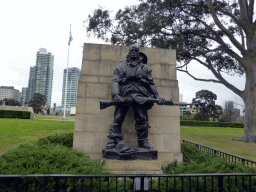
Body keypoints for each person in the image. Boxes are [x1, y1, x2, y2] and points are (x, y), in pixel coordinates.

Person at [105, 44, 164, 150]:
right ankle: (113, 140)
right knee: (118, 118)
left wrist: (157, 96)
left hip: (140, 96)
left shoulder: (145, 68)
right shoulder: (120, 67)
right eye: (132, 50)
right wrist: (116, 95)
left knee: (141, 118)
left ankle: (143, 142)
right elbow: (114, 81)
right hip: (124, 95)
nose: (134, 52)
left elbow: (151, 83)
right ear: (128, 53)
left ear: (138, 54)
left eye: (136, 51)